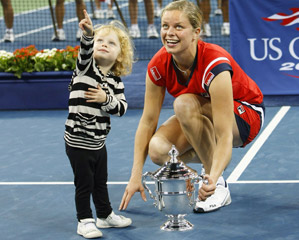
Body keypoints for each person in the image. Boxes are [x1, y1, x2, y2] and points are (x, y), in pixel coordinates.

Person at [119, 0, 264, 213]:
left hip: (245, 115)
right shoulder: (158, 65)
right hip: (202, 117)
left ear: (196, 32)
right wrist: (135, 176)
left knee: (184, 103)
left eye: (179, 26)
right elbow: (148, 122)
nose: (170, 33)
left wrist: (214, 177)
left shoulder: (215, 63)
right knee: (158, 150)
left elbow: (224, 135)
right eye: (165, 26)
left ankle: (217, 185)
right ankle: (199, 180)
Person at [64, 9, 134, 238]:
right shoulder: (85, 68)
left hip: (98, 142)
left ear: (120, 56)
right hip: (77, 139)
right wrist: (88, 35)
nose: (103, 44)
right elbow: (85, 51)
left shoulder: (116, 81)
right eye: (100, 41)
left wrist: (106, 99)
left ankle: (104, 215)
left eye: (111, 43)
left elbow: (122, 108)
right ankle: (84, 220)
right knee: (84, 183)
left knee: (100, 182)